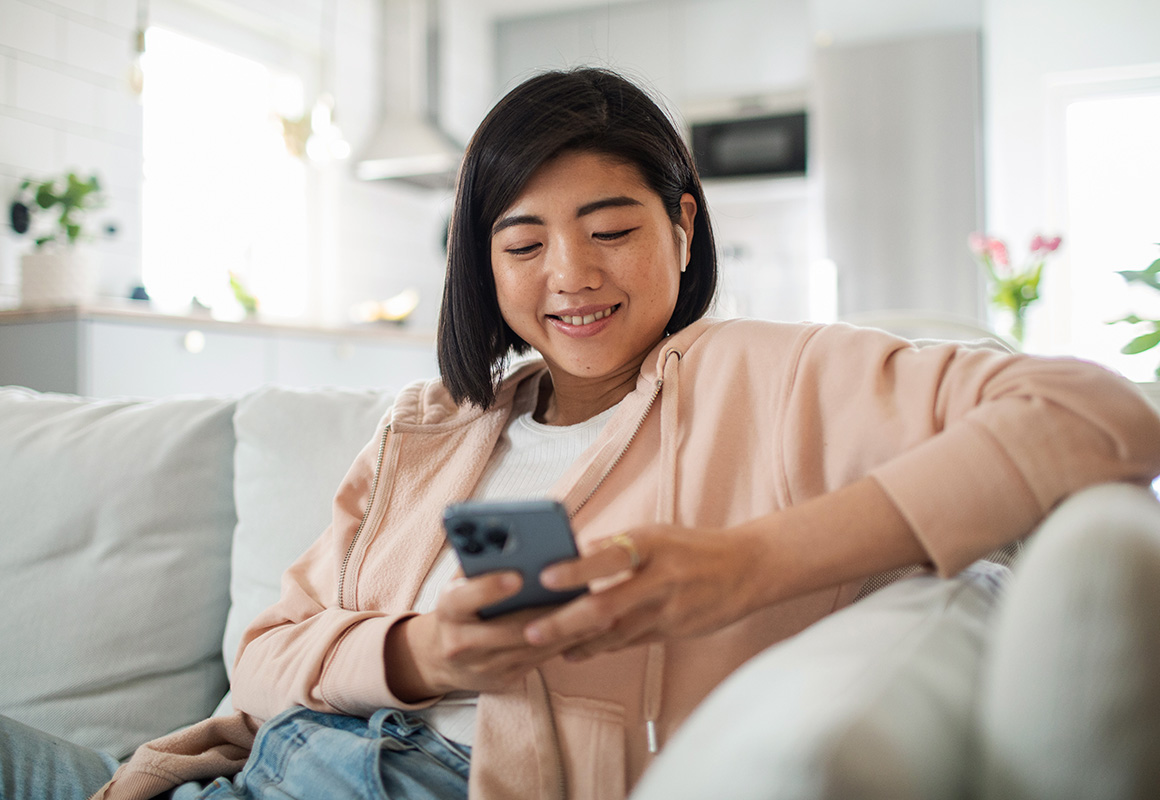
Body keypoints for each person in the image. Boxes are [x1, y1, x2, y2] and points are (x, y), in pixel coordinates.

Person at [3, 67, 1159, 800]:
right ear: (482, 262)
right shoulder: (427, 428)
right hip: (244, 767)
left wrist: (747, 562)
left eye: (610, 229)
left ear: (681, 225)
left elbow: (1104, 414)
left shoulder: (777, 371)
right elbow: (263, 657)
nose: (569, 275)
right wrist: (424, 652)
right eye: (523, 244)